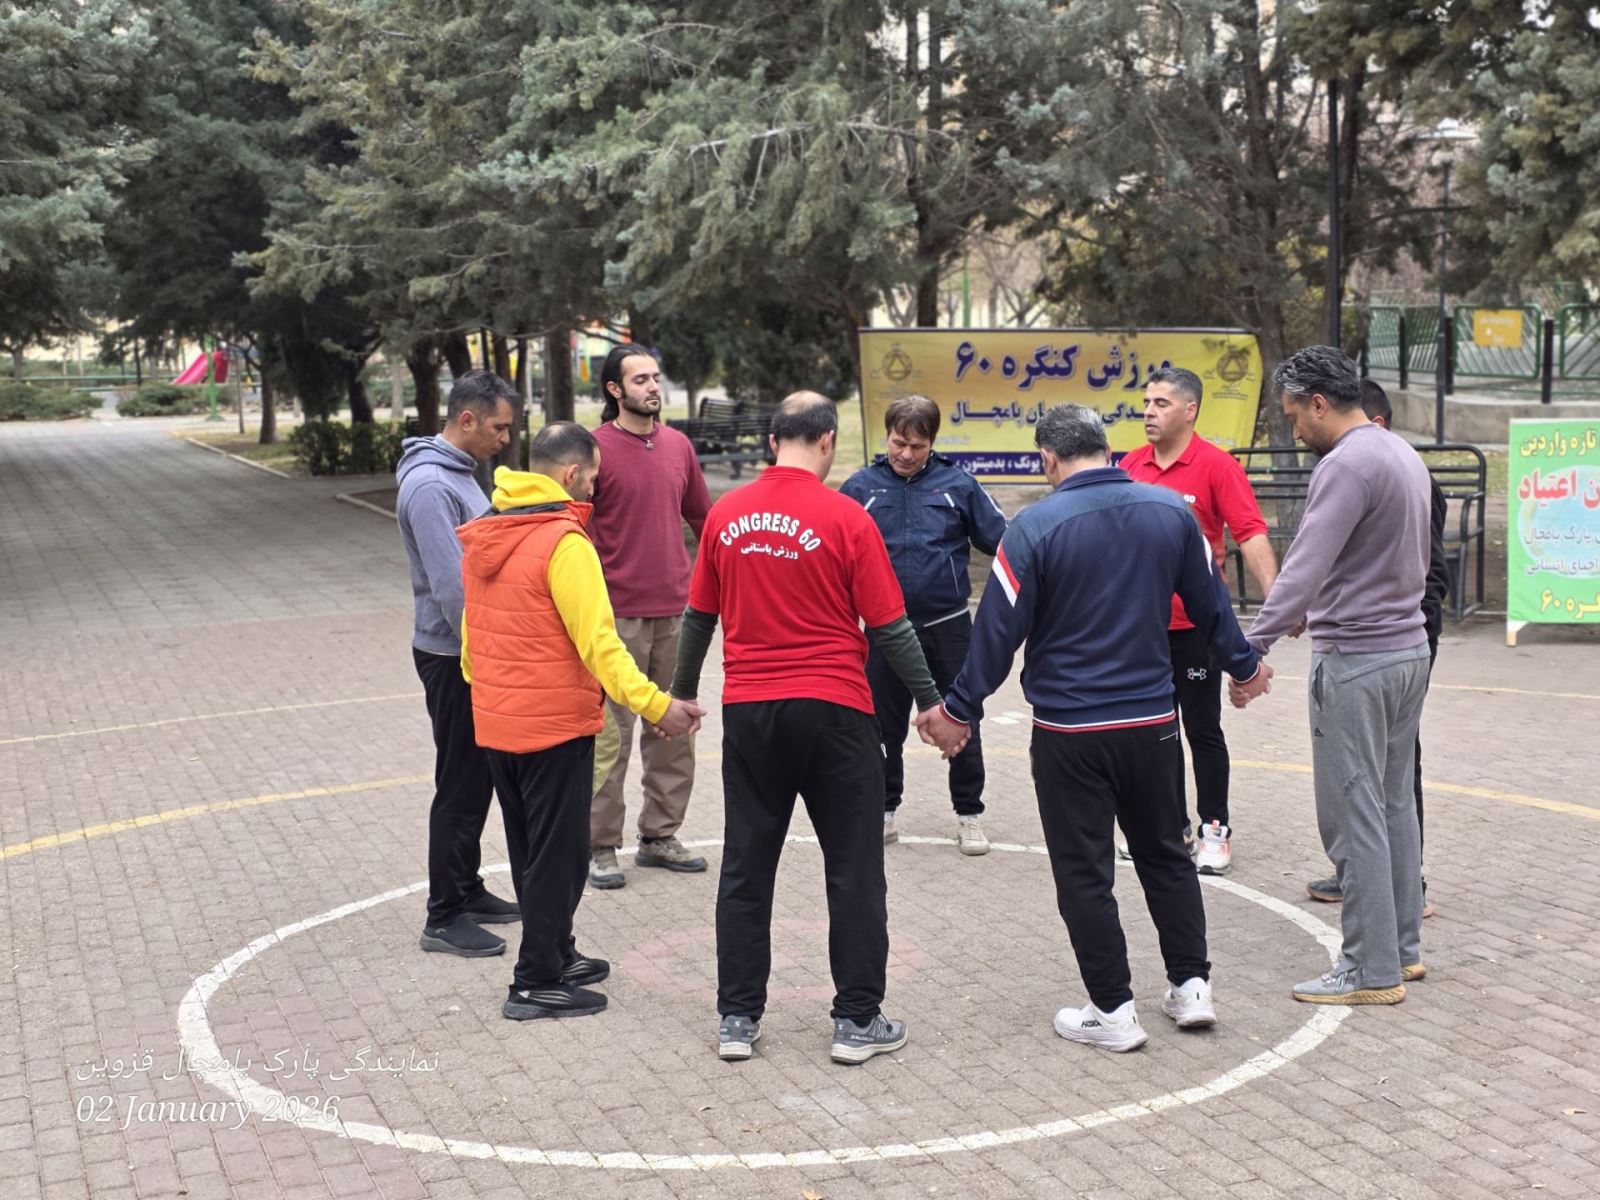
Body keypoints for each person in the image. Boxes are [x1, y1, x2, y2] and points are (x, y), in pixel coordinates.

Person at [918, 404, 1269, 1053]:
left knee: (1085, 872)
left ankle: (1112, 1010)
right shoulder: (1171, 514)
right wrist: (1244, 667)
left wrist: (957, 710)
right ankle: (1192, 987)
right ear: (1107, 449)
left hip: (1069, 731)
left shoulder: (1034, 528)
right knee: (1166, 855)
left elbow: (996, 633)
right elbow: (1212, 604)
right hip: (1153, 724)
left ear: (1047, 459)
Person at [670, 392, 942, 1065]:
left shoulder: (726, 515)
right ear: (826, 442)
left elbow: (699, 616)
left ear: (772, 442)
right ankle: (856, 1021)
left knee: (746, 865)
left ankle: (737, 1018)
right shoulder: (847, 517)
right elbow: (890, 626)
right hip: (836, 711)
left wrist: (681, 693)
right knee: (854, 868)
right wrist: (931, 704)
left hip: (752, 712)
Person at [458, 421, 704, 1019]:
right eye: (592, 477)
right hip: (552, 726)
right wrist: (657, 705)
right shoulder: (565, 544)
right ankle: (534, 981)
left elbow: (470, 643)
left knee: (530, 850)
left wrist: (493, 697)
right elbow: (602, 646)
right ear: (571, 474)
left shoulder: (488, 528)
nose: (594, 488)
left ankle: (557, 950)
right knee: (561, 856)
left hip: (498, 723)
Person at [1232, 346, 1432, 1006]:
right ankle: (1400, 950)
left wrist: (1251, 647)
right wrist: (1309, 608)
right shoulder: (1398, 451)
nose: (1294, 430)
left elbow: (1306, 566)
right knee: (1393, 804)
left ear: (1319, 403)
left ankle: (1369, 968)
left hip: (1357, 661)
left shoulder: (1345, 464)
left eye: (1294, 415)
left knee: (1353, 813)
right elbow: (1366, 560)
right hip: (1406, 651)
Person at [1119, 367, 1277, 875]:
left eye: (1161, 403)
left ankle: (1215, 828)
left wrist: (1279, 600)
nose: (1149, 412)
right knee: (1153, 732)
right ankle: (1171, 827)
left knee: (1202, 729)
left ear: (1190, 411)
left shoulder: (1217, 466)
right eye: (1147, 402)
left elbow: (1249, 532)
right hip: (1141, 631)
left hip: (1195, 631)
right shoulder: (1130, 465)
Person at [1305, 378, 1450, 918]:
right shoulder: (1390, 466)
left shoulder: (1377, 468)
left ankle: (1396, 905)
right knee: (1379, 787)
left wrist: (1260, 639)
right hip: (1394, 640)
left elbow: (1429, 572)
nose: (1302, 432)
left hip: (1384, 646)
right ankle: (1390, 904)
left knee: (1381, 787)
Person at [840, 394, 1007, 854]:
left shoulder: (959, 485)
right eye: (899, 443)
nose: (907, 454)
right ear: (886, 437)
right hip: (884, 631)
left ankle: (969, 815)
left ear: (932, 441)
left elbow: (1007, 543)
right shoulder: (859, 489)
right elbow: (831, 556)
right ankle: (883, 811)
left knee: (962, 717)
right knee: (880, 726)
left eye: (917, 445)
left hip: (949, 628)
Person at [395, 370, 521, 959]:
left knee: (476, 779)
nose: (505, 439)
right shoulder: (430, 486)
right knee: (461, 783)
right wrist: (493, 654)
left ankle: (466, 888)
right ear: (466, 419)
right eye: (499, 427)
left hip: (468, 649)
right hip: (453, 655)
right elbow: (453, 589)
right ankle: (443, 914)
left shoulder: (460, 474)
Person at [586, 343, 714, 890]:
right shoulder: (594, 449)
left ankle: (659, 836)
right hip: (616, 620)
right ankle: (599, 845)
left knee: (674, 730)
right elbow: (573, 527)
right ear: (615, 389)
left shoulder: (678, 446)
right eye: (640, 379)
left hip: (677, 616)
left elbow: (704, 520)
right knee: (610, 737)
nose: (653, 387)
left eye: (656, 377)